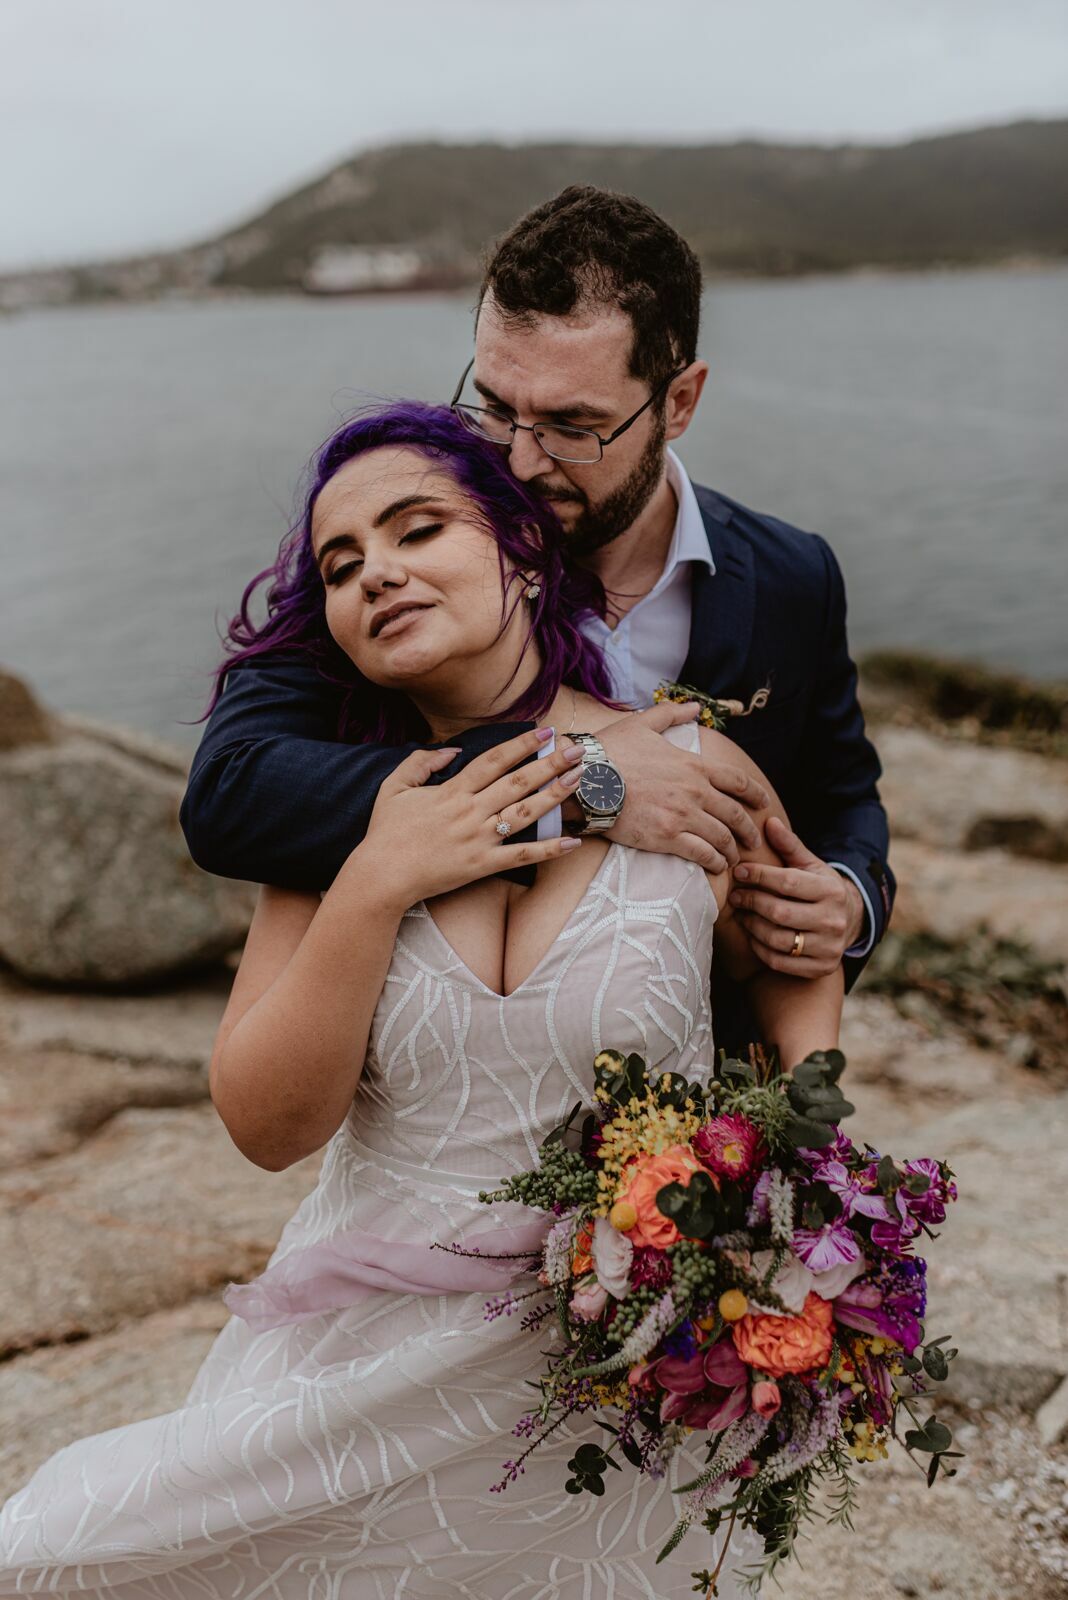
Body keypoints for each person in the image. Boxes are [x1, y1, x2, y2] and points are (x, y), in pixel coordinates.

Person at [0, 404, 843, 1598]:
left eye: (417, 529)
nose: (376, 572)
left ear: (523, 551)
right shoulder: (338, 814)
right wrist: (376, 880)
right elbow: (265, 1122)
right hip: (358, 1369)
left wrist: (801, 1179)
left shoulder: (689, 770)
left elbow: (790, 951)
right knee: (45, 1560)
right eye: (342, 566)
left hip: (621, 1373)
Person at [179, 186, 893, 1052]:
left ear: (679, 402)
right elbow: (230, 794)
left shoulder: (792, 575)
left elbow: (842, 791)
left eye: (570, 425)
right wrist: (585, 782)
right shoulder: (404, 557)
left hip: (697, 1111)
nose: (517, 458)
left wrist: (849, 896)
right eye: (495, 404)